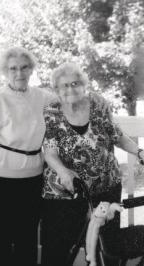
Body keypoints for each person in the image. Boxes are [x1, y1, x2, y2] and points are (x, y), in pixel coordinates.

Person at [41, 62, 144, 266]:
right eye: (64, 85)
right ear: (56, 89)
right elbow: (50, 152)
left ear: (84, 84)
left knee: (108, 242)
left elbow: (117, 136)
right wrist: (63, 171)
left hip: (106, 186)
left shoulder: (97, 105)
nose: (70, 89)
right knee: (61, 245)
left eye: (75, 83)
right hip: (66, 189)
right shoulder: (51, 112)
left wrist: (139, 152)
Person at [0, 47, 56, 266]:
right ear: (5, 72)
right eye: (13, 69)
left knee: (26, 240)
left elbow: (69, 99)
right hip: (0, 181)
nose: (19, 73)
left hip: (33, 179)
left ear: (31, 69)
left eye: (24, 67)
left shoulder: (42, 97)